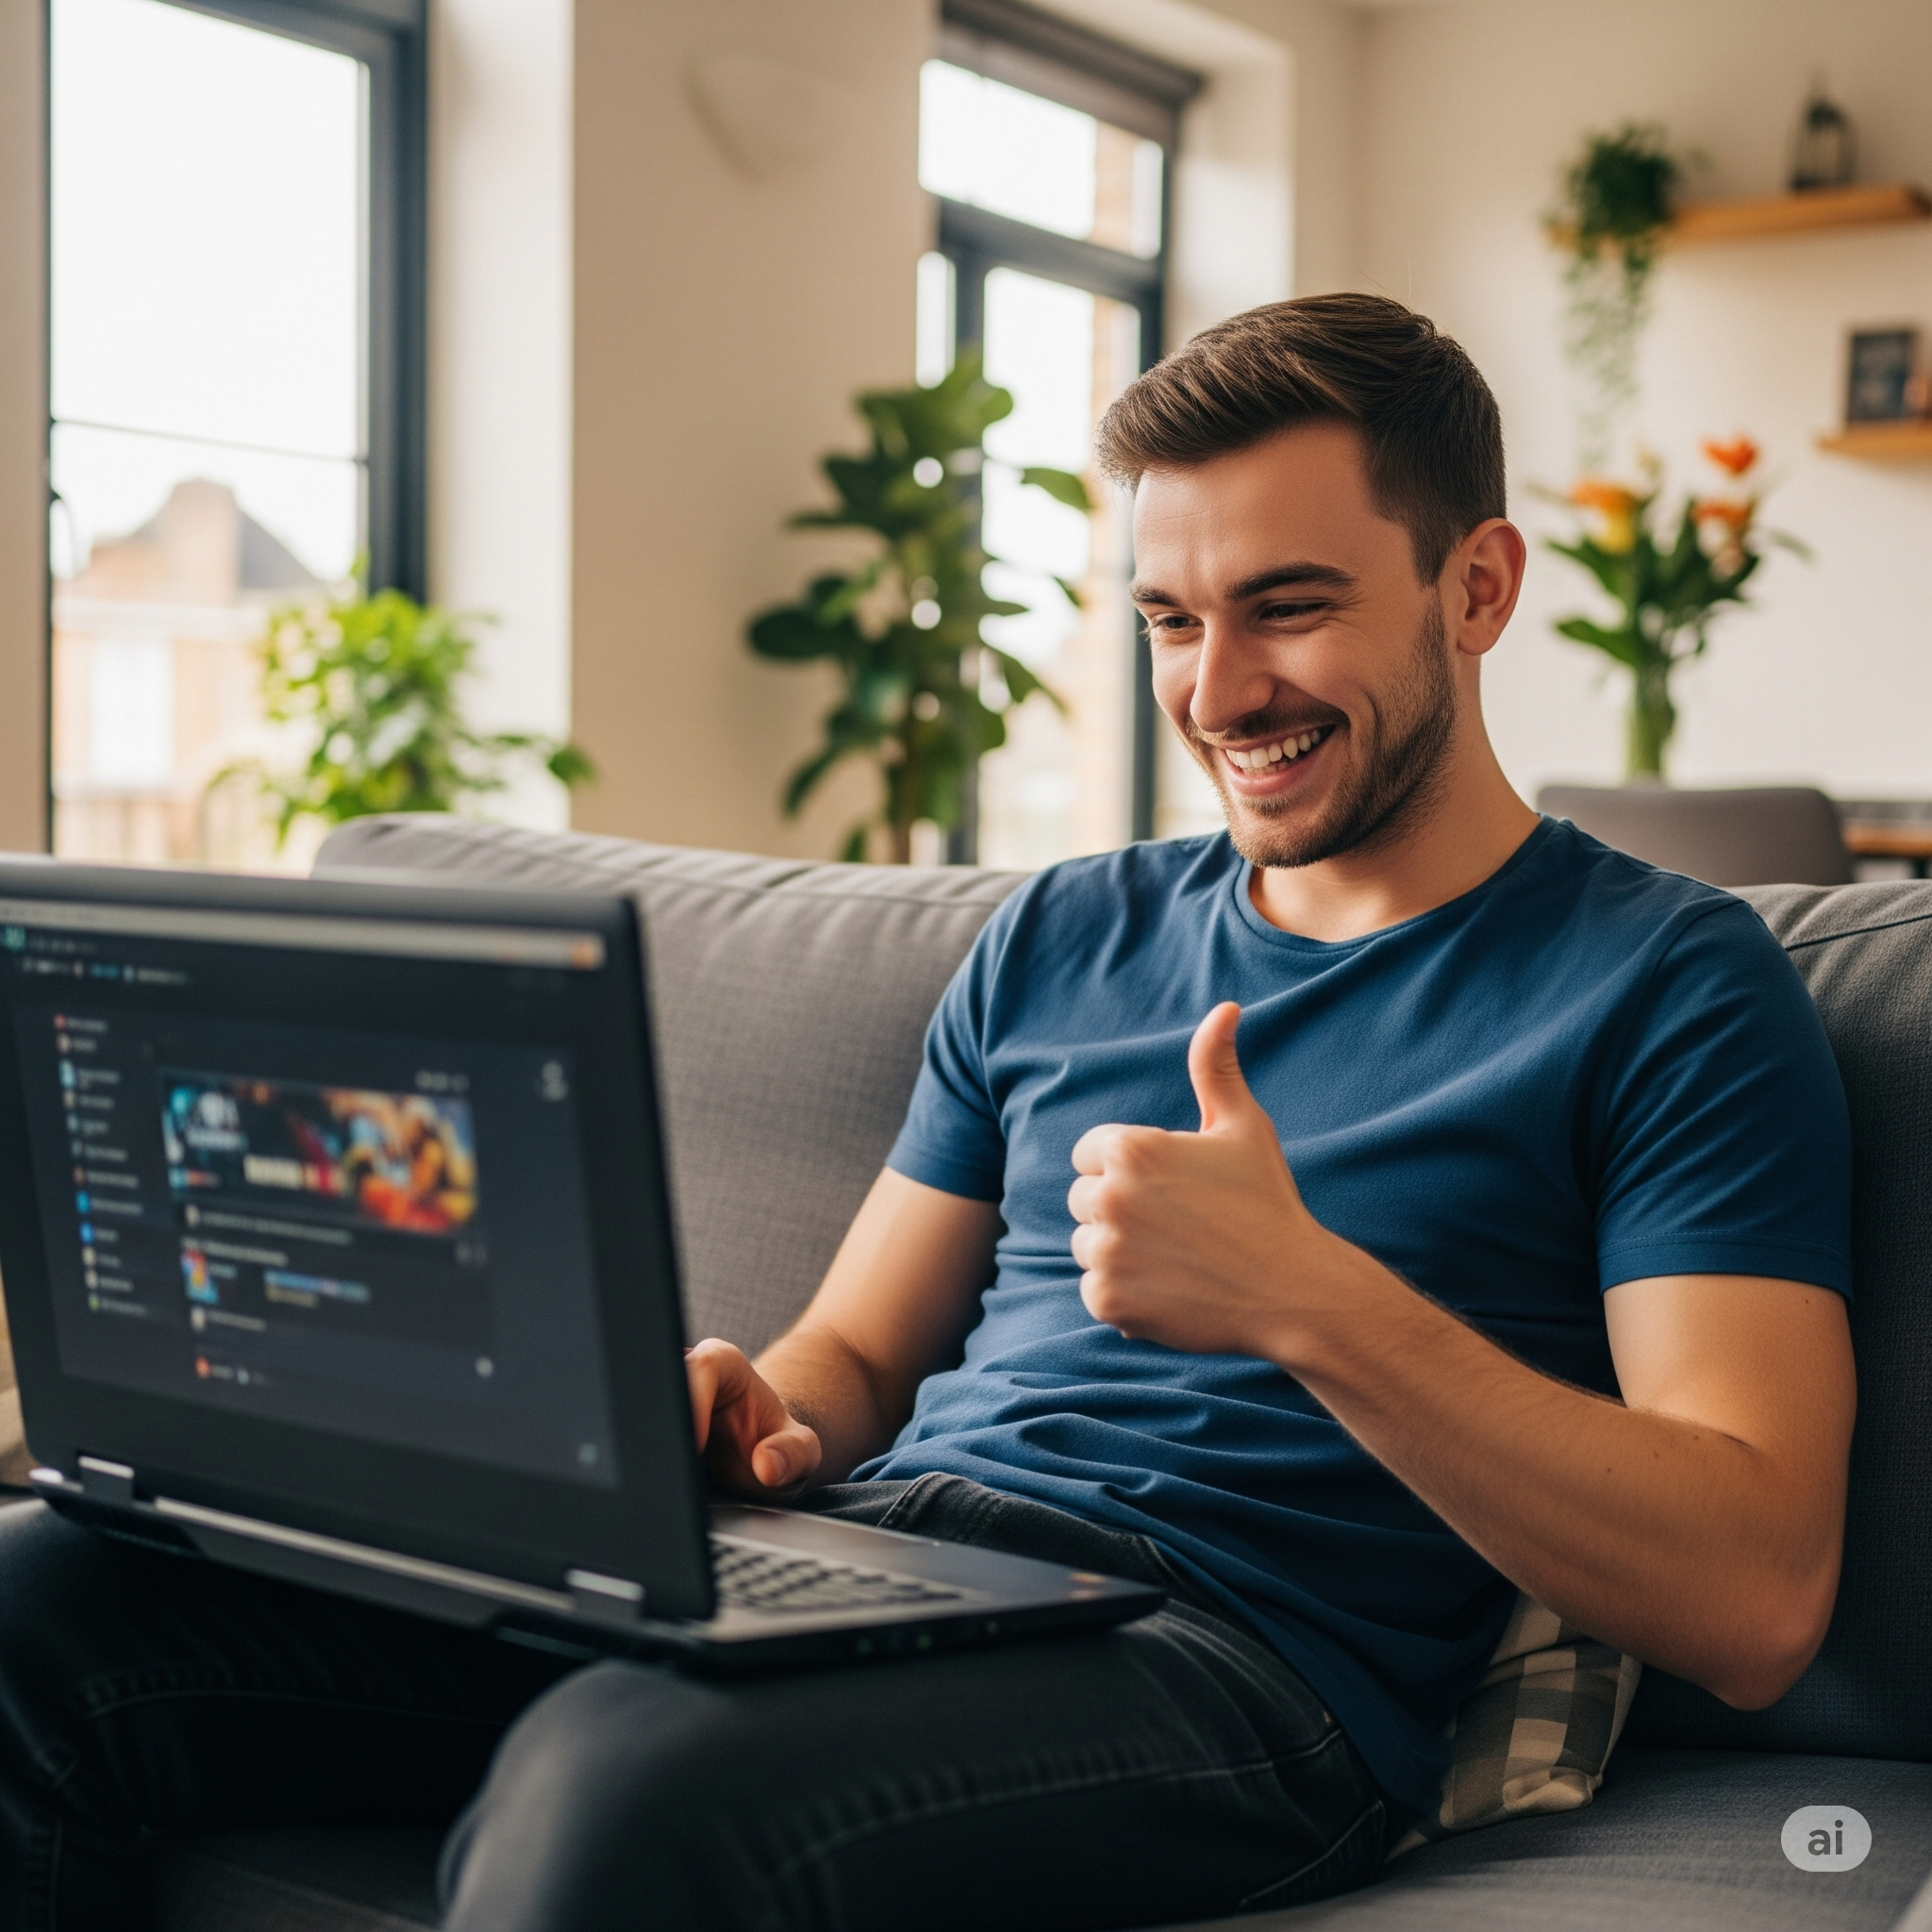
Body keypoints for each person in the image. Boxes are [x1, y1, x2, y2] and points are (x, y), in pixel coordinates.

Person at [0, 294, 1854, 1932]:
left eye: (1288, 610)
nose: (1218, 692)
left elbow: (1753, 1583)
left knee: (627, 1777)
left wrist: (1306, 1297)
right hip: (871, 1568)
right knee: (48, 1599)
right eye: (1169, 619)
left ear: (1477, 588)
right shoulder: (1061, 929)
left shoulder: (1669, 982)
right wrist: (755, 1417)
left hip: (1232, 1662)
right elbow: (852, 1358)